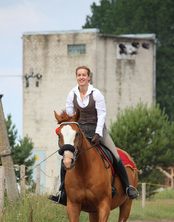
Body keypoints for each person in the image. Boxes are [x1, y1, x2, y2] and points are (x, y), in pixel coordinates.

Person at [49, 66, 139, 205]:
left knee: (115, 155)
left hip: (98, 131)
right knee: (66, 158)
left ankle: (128, 188)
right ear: (76, 77)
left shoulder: (96, 94)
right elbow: (70, 117)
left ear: (88, 77)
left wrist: (98, 133)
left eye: (84, 75)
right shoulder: (71, 94)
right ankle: (63, 193)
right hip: (79, 133)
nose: (81, 77)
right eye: (79, 75)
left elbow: (102, 114)